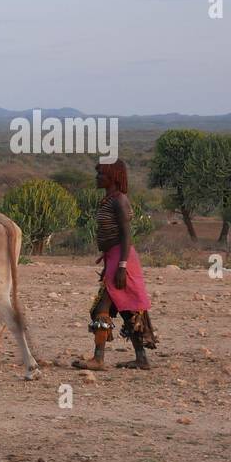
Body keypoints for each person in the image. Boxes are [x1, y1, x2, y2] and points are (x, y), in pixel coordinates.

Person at [72, 159, 158, 371]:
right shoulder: (110, 200)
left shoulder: (119, 200)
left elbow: (127, 235)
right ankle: (141, 358)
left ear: (113, 177)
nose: (97, 177)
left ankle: (98, 359)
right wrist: (110, 263)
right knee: (127, 309)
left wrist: (121, 266)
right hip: (115, 257)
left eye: (100, 174)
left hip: (122, 258)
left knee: (101, 308)